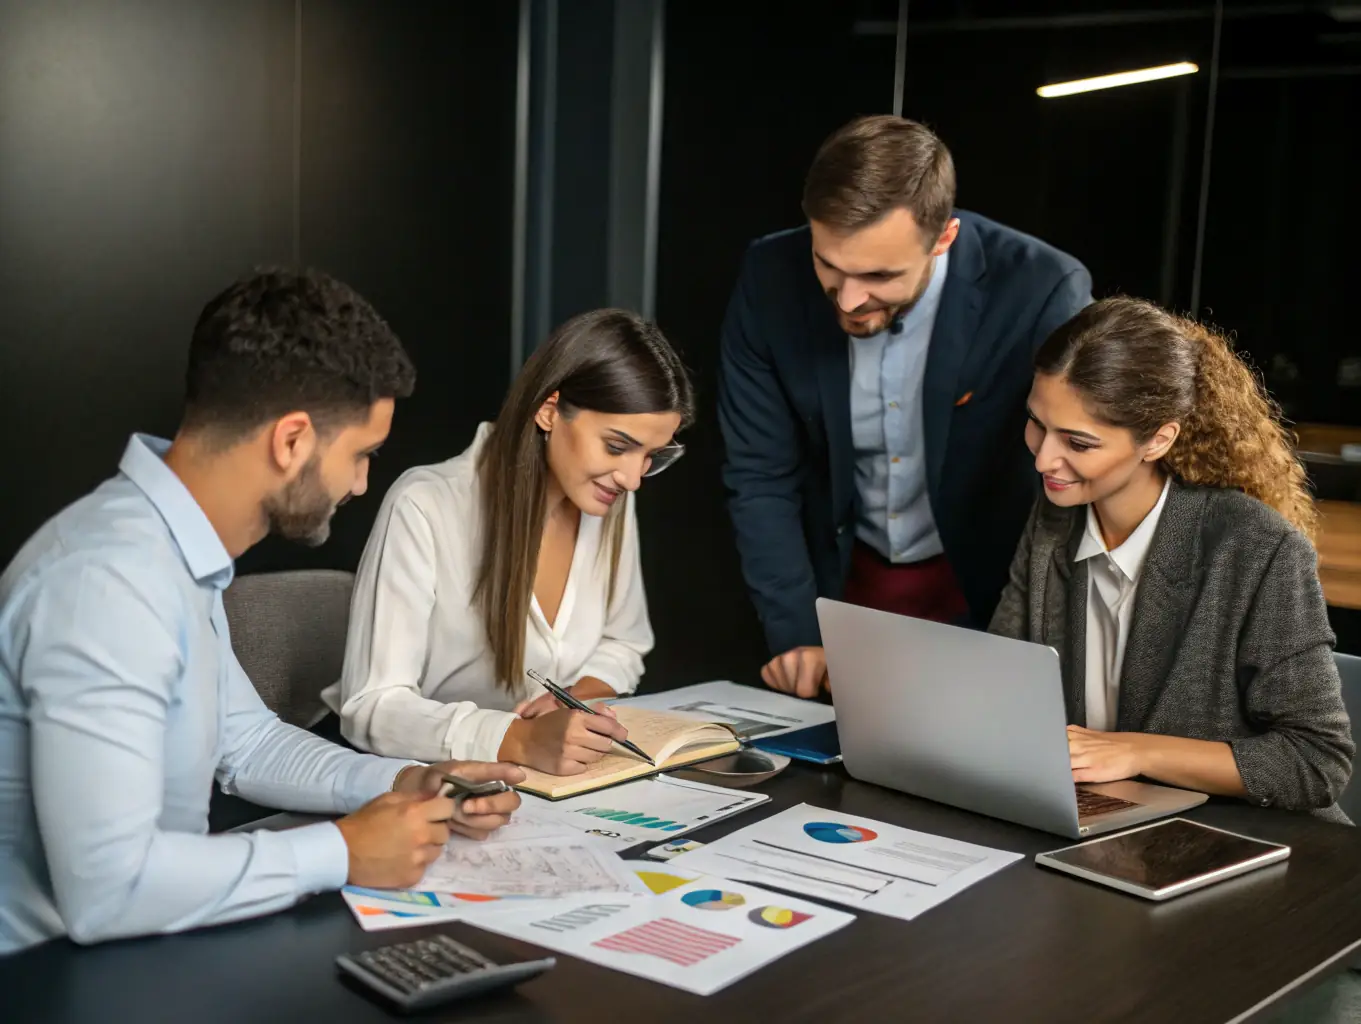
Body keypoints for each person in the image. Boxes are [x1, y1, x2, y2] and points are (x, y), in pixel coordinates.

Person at [0, 269, 524, 955]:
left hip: (137, 951)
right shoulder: (109, 582)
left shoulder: (170, 552)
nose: (363, 484)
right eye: (361, 455)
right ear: (292, 441)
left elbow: (246, 742)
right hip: (49, 975)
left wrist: (406, 783)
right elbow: (109, 888)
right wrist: (341, 852)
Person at [720, 114, 1093, 700]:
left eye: (878, 275)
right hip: (839, 589)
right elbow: (760, 475)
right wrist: (796, 633)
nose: (848, 299)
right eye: (829, 265)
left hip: (989, 591)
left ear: (944, 236)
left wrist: (1021, 639)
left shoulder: (1041, 289)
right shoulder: (769, 276)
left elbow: (1065, 484)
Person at [990, 296, 1352, 818]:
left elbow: (1317, 761)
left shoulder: (1257, 548)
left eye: (1079, 442)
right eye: (1037, 424)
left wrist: (1137, 750)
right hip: (1106, 823)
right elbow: (1006, 677)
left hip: (1239, 840)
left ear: (1158, 440)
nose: (1045, 457)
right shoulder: (1055, 519)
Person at [324, 309, 694, 776]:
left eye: (652, 457)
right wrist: (516, 738)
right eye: (617, 446)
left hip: (554, 786)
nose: (633, 478)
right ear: (548, 410)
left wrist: (579, 699)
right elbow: (371, 707)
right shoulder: (426, 506)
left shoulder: (612, 498)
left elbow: (624, 641)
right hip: (435, 788)